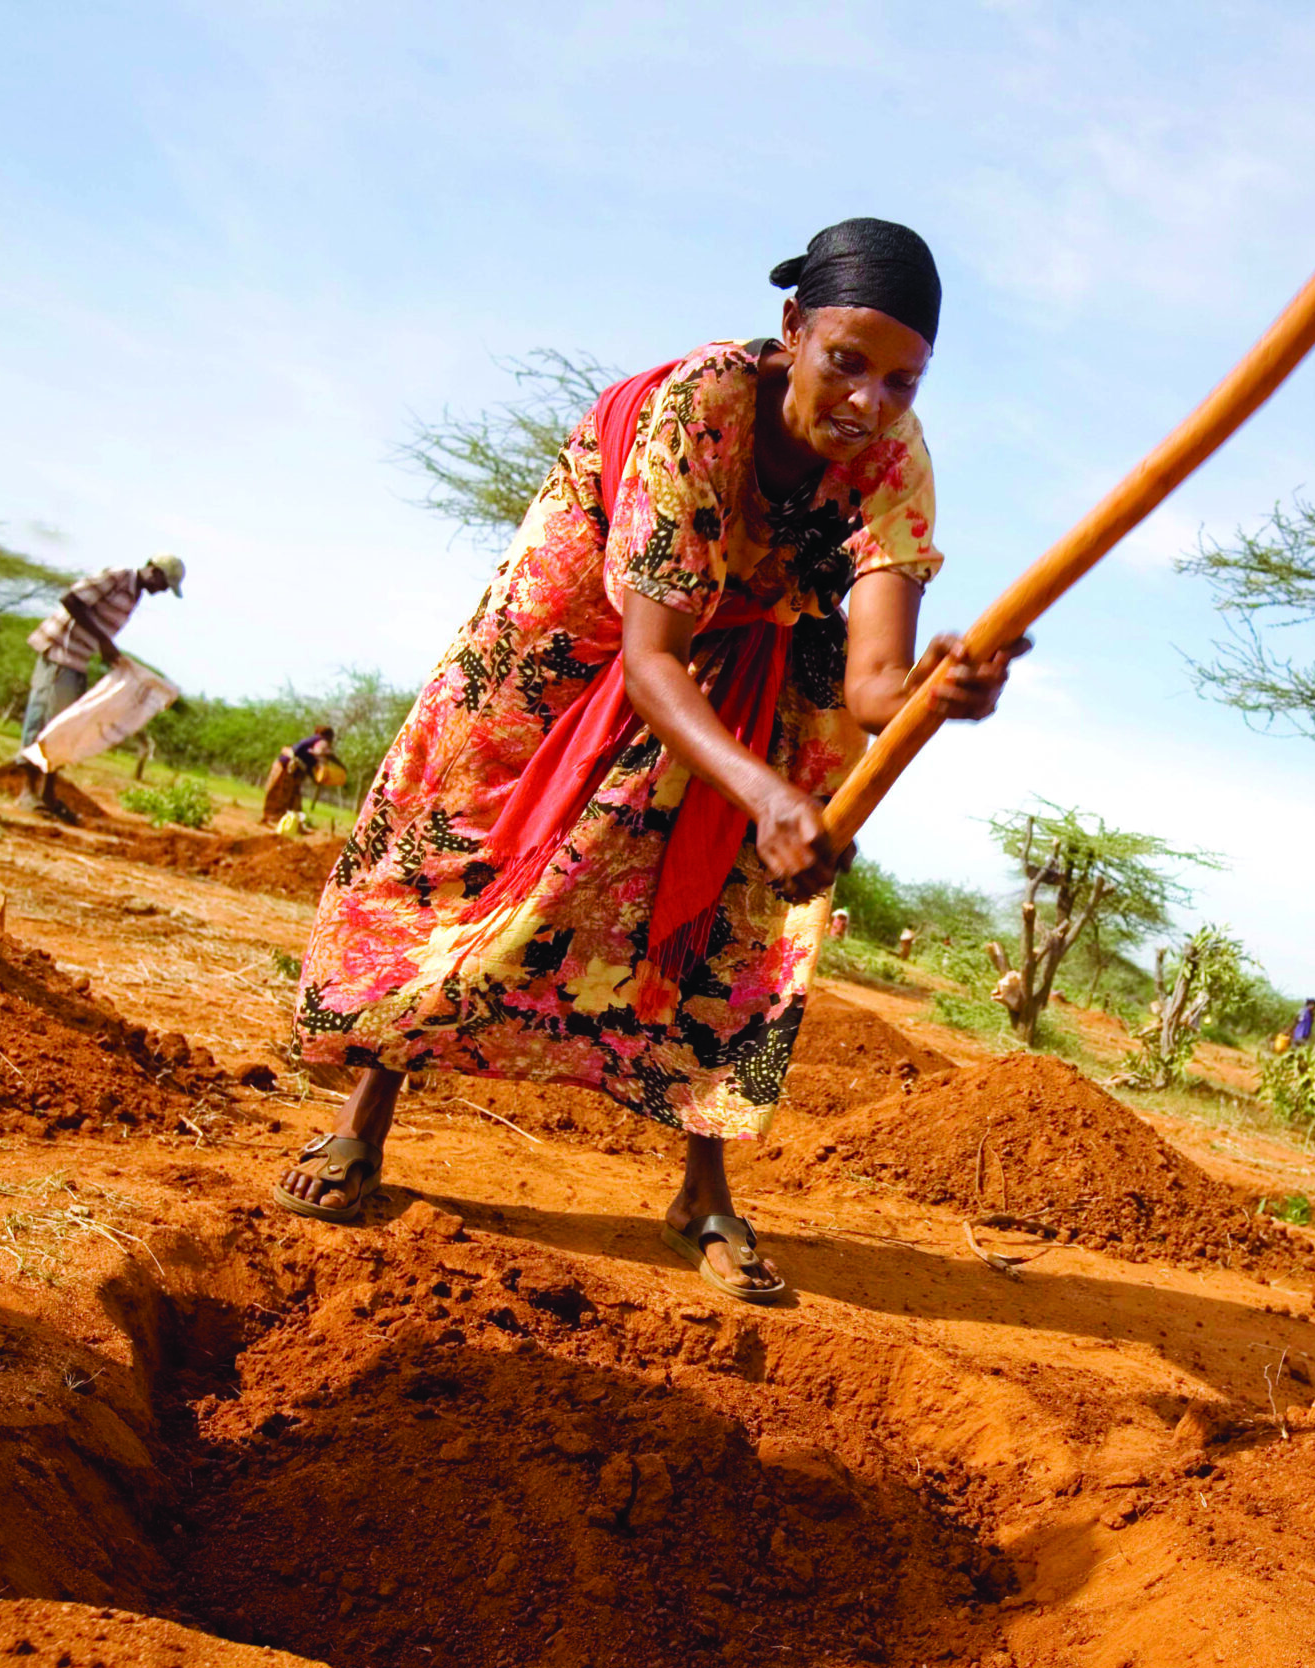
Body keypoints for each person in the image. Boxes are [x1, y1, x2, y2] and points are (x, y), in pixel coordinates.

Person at [278, 218, 1016, 1304]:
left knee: (744, 906)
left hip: (764, 643)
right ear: (792, 329)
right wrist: (762, 792)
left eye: (902, 381)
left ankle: (702, 1193)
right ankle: (362, 1118)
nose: (869, 402)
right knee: (477, 844)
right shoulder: (700, 406)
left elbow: (871, 687)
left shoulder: (895, 463)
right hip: (590, 624)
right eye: (846, 362)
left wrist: (936, 697)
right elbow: (650, 657)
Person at [19, 554, 184, 809]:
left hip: (78, 659)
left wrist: (109, 652)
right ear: (154, 571)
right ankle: (28, 792)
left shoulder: (134, 594)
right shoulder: (118, 576)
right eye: (164, 584)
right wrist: (103, 641)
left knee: (65, 726)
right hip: (60, 653)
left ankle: (47, 794)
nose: (162, 590)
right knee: (43, 721)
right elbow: (71, 599)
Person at [261, 725, 337, 822]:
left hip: (293, 768)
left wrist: (315, 779)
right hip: (287, 766)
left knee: (292, 794)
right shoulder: (320, 741)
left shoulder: (314, 745)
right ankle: (273, 817)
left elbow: (309, 766)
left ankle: (288, 819)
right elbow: (299, 748)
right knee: (281, 792)